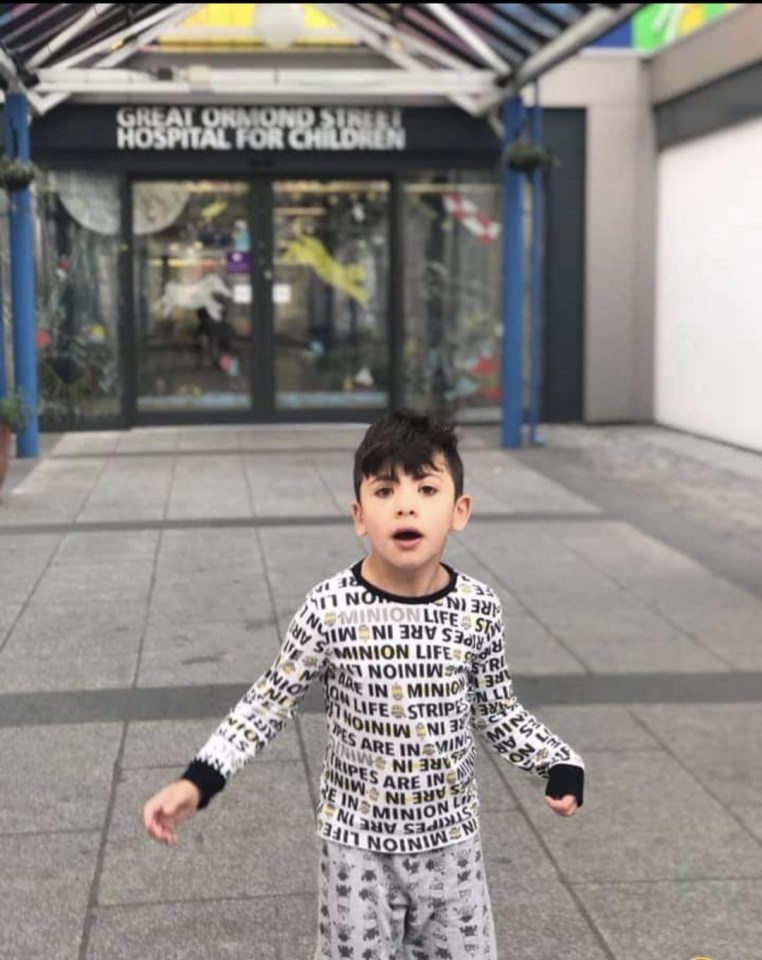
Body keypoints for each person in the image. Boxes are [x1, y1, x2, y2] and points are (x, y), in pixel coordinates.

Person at [143, 409, 585, 960]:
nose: (405, 504)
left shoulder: (478, 610)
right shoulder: (330, 609)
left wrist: (559, 761)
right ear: (359, 515)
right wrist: (199, 779)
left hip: (453, 849)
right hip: (356, 850)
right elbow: (267, 703)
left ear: (459, 511)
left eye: (426, 488)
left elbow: (498, 711)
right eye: (384, 490)